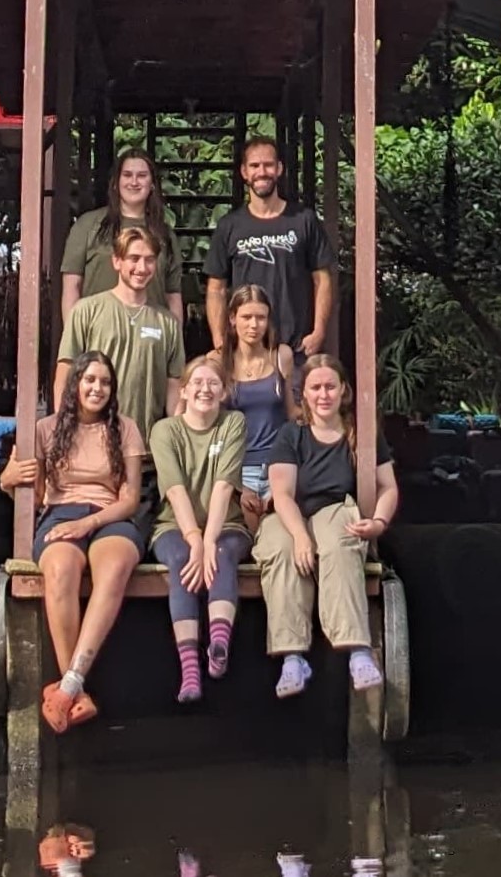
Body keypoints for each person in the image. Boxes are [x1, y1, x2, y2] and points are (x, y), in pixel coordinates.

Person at [0, 352, 148, 732]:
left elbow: (130, 498)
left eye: (105, 382)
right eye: (90, 380)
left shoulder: (125, 428)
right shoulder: (46, 429)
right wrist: (7, 478)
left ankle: (67, 686)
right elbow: (22, 489)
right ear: (76, 384)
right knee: (61, 569)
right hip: (61, 514)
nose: (98, 388)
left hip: (109, 515)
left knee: (114, 567)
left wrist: (89, 523)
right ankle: (73, 686)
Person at [259, 351, 397, 699]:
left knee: (338, 541)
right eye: (315, 387)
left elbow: (388, 486)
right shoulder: (292, 435)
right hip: (291, 512)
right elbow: (282, 494)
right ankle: (292, 656)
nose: (324, 395)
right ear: (303, 393)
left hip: (335, 507)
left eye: (330, 387)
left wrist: (379, 522)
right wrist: (301, 537)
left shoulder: (362, 434)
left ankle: (358, 650)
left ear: (343, 391)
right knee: (280, 547)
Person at [148, 353, 251, 702]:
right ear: (185, 390)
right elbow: (175, 489)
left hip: (227, 525)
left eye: (213, 383)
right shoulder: (164, 430)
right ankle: (189, 669)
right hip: (174, 527)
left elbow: (224, 485)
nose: (205, 389)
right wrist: (195, 539)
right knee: (181, 560)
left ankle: (219, 644)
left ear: (224, 391)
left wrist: (208, 540)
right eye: (198, 383)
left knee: (221, 553)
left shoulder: (233, 423)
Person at [202, 137, 338, 360]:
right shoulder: (229, 226)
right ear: (244, 172)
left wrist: (318, 331)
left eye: (268, 165)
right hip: (245, 351)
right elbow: (216, 289)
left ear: (279, 169)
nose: (262, 172)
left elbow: (322, 279)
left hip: (296, 349)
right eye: (255, 166)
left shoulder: (304, 220)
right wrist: (219, 340)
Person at [56, 222, 181, 433]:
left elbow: (174, 387)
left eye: (150, 260)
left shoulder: (168, 322)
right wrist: (65, 431)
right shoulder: (86, 311)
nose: (142, 268)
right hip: (94, 443)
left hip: (147, 447)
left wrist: (177, 435)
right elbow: (65, 374)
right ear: (117, 261)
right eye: (134, 258)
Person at [218, 285, 294, 532]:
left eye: (260, 317)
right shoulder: (218, 362)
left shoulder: (281, 356)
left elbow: (292, 413)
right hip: (238, 467)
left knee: (278, 534)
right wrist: (236, 483)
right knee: (248, 540)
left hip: (278, 464)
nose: (254, 325)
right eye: (246, 317)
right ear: (232, 318)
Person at [60, 150, 168, 323]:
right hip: (97, 333)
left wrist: (174, 342)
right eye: (127, 175)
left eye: (141, 175)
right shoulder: (87, 225)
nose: (134, 182)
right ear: (116, 183)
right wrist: (74, 339)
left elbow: (173, 295)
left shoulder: (165, 233)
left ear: (152, 184)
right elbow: (72, 286)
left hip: (150, 337)